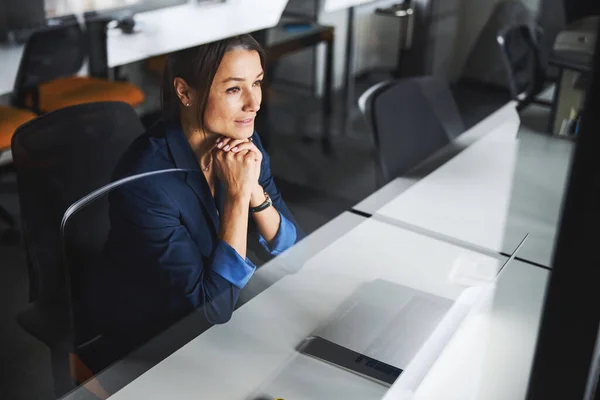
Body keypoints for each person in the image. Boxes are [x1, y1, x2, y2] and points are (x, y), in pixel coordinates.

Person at [97, 35, 302, 346]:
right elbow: (211, 311)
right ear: (184, 92)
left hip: (227, 308)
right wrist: (236, 196)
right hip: (157, 338)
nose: (255, 103)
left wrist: (254, 190)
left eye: (257, 83)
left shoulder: (242, 143)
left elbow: (290, 252)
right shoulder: (147, 183)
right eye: (234, 89)